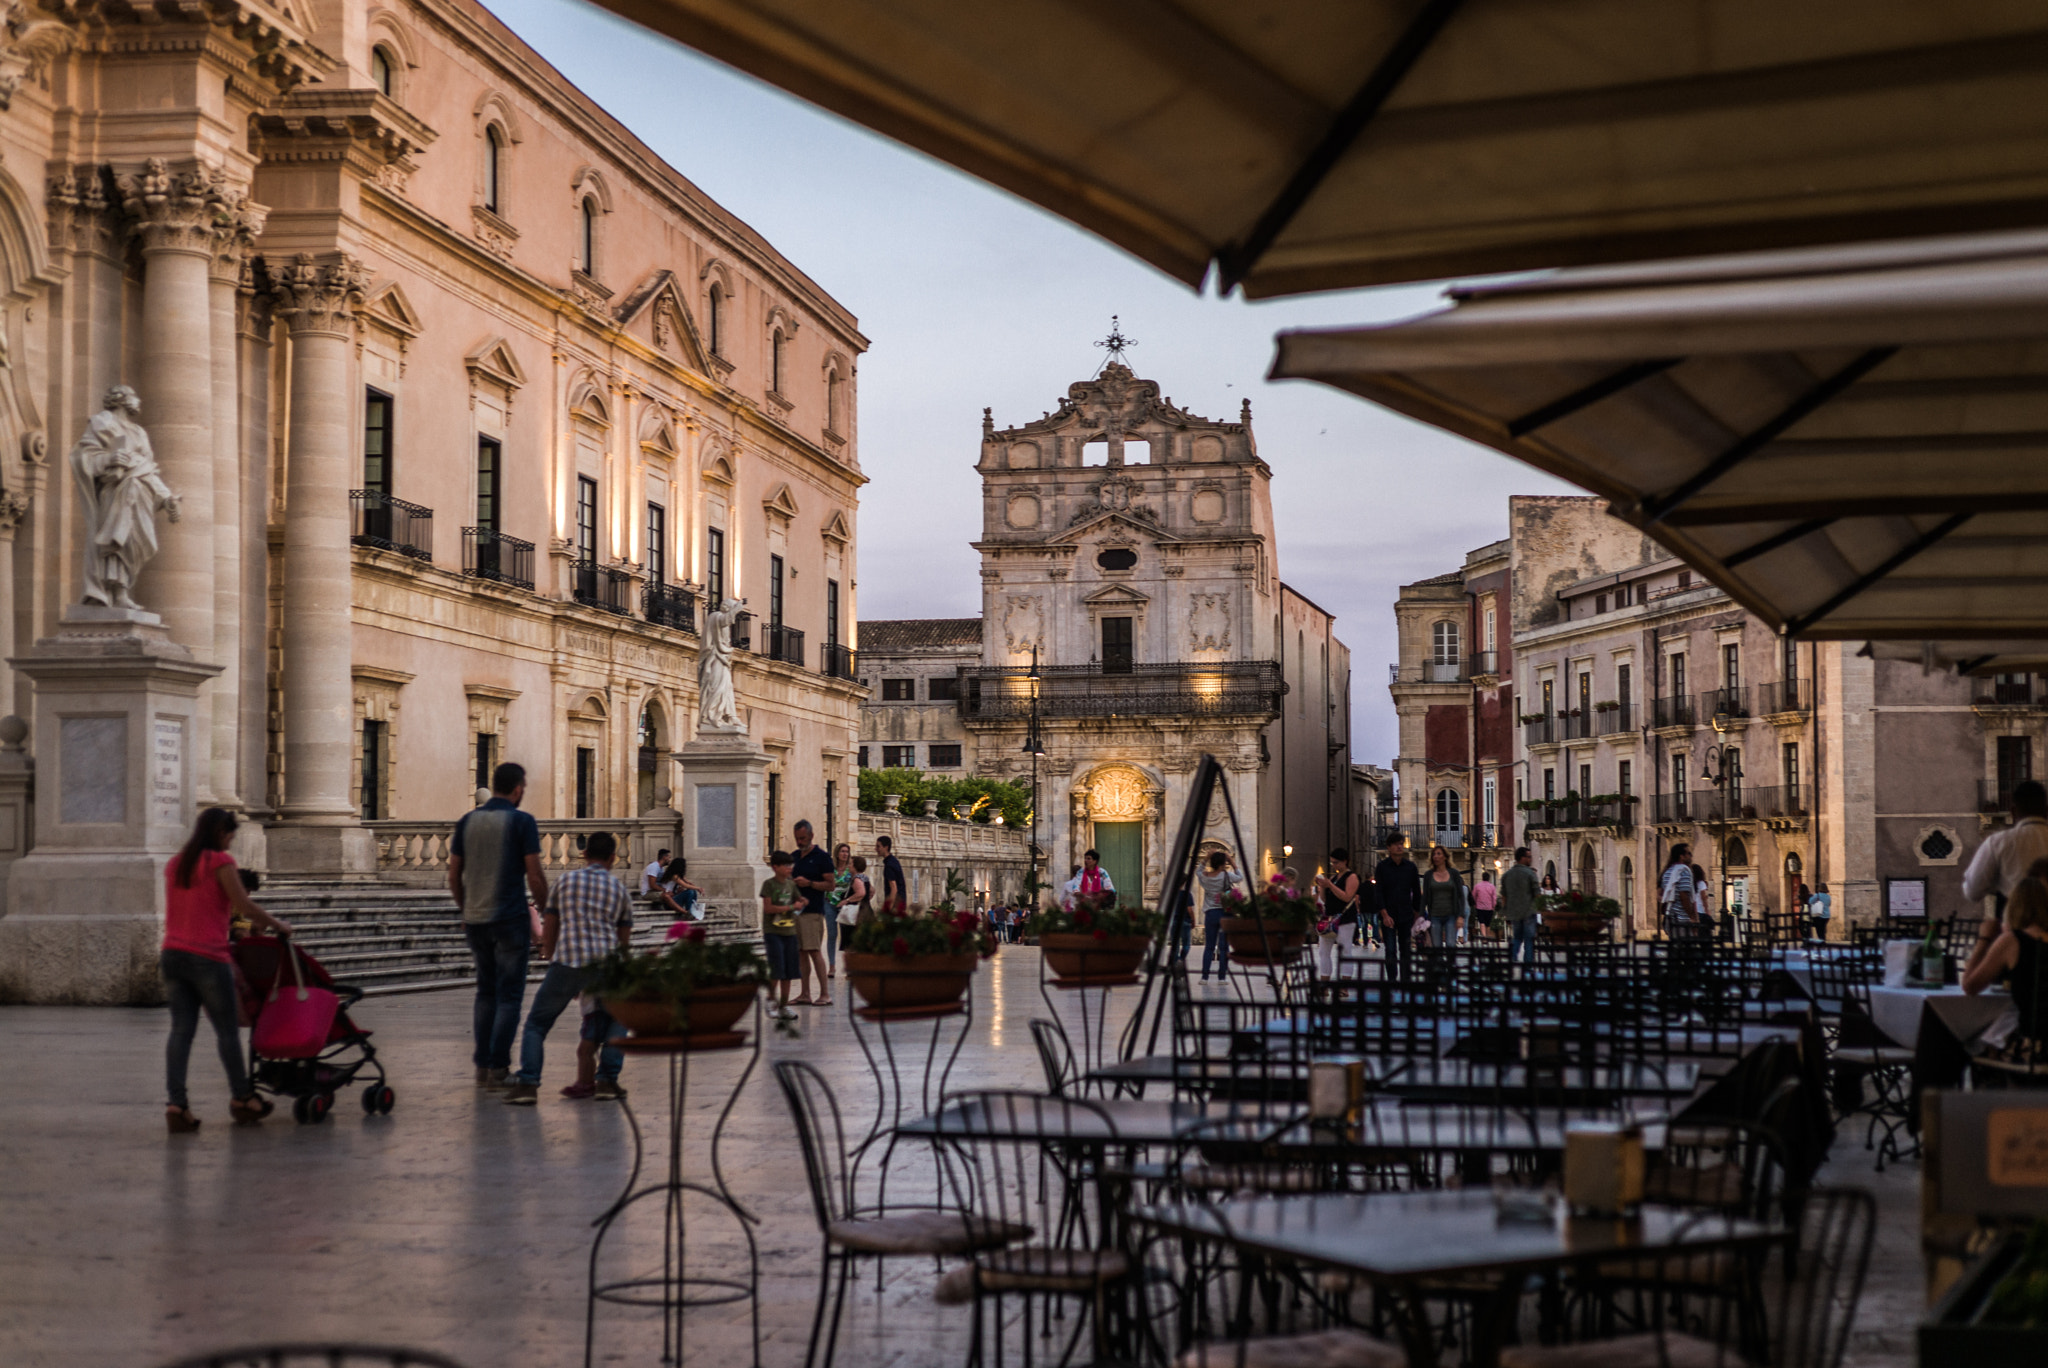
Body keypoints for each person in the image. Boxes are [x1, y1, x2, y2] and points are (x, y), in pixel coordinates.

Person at [161, 808, 293, 1133]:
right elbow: (243, 905)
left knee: (180, 1032)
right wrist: (278, 925)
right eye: (230, 837)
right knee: (227, 1032)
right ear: (221, 833)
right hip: (208, 956)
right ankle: (243, 1097)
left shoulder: (175, 864)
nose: (230, 845)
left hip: (172, 954)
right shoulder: (220, 863)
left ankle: (177, 1104)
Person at [504, 830, 634, 1105]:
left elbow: (551, 922)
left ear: (584, 854)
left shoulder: (565, 881)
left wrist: (551, 955)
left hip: (568, 961)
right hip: (606, 963)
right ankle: (607, 1081)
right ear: (613, 857)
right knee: (617, 1020)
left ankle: (528, 1083)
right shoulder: (619, 889)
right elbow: (623, 939)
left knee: (537, 1024)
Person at [450, 762, 547, 1090]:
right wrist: (546, 913)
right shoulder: (522, 821)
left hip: (476, 919)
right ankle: (498, 1067)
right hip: (509, 918)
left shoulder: (467, 821)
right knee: (509, 995)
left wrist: (467, 908)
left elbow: (454, 874)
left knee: (485, 992)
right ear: (518, 788)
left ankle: (482, 1066)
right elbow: (534, 874)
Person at [1964, 875, 2048, 1061]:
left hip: (2035, 1049)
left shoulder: (2013, 941)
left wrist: (1984, 939)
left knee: (1969, 1044)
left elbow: (1969, 986)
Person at [1963, 779, 2048, 926]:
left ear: (2013, 811)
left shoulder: (1999, 842)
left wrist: (1996, 883)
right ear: (2046, 810)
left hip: (2015, 929)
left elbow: (1973, 891)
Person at [789, 820, 835, 1006]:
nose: (800, 842)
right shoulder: (793, 857)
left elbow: (830, 885)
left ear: (811, 836)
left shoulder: (822, 857)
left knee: (814, 951)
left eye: (803, 838)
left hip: (813, 912)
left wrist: (809, 884)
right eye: (797, 839)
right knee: (801, 952)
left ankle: (825, 994)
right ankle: (805, 993)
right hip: (797, 911)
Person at [761, 851, 804, 1020]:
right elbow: (768, 908)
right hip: (773, 932)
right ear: (775, 867)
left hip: (789, 931)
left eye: (790, 865)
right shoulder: (769, 885)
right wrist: (790, 908)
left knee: (789, 971)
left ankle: (783, 1005)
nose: (789, 869)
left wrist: (802, 903)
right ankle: (771, 1001)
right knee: (776, 969)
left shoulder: (791, 885)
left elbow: (799, 900)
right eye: (785, 865)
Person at [1373, 835, 1422, 977]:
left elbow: (1416, 891)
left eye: (1401, 844)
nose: (1399, 847)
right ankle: (1392, 980)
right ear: (1388, 848)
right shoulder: (1382, 867)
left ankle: (1406, 979)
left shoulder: (1411, 867)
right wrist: (1384, 914)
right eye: (1395, 844)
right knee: (1390, 949)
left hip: (1406, 914)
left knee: (1406, 949)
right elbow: (1379, 892)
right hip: (1388, 914)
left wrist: (1416, 913)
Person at [1312, 849, 1361, 975]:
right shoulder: (1334, 877)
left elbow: (1347, 897)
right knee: (1323, 951)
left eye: (1336, 862)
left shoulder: (1352, 877)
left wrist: (1330, 885)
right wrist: (1322, 886)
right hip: (1329, 918)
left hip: (1345, 918)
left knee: (1345, 950)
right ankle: (1324, 982)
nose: (1333, 865)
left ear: (1345, 861)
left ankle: (1344, 985)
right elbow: (1324, 899)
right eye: (1332, 863)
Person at [1196, 850, 1242, 980]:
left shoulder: (1205, 876)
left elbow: (1197, 872)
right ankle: (1222, 977)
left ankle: (1204, 977)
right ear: (1223, 864)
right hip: (1225, 913)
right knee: (1224, 947)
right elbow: (1240, 877)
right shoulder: (1227, 876)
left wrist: (1206, 858)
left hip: (1211, 913)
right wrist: (1233, 863)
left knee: (1209, 946)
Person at [1498, 847, 1542, 965]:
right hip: (1528, 911)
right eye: (1528, 857)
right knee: (1528, 938)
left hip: (1514, 912)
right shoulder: (1530, 873)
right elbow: (1537, 893)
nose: (1530, 859)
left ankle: (1513, 958)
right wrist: (1541, 909)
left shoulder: (1507, 875)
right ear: (1522, 858)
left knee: (1517, 937)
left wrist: (1505, 912)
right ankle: (1528, 964)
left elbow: (1504, 896)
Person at [1422, 845, 1466, 951]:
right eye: (1434, 854)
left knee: (1451, 945)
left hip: (1451, 915)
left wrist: (1461, 915)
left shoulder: (1454, 874)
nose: (1436, 857)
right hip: (1434, 916)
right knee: (1436, 947)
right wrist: (1421, 916)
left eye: (1438, 854)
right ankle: (1438, 967)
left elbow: (1460, 896)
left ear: (1445, 857)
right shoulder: (1428, 875)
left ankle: (1450, 966)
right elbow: (1425, 897)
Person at [826, 842, 855, 976]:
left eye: (847, 852)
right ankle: (832, 966)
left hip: (845, 906)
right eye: (842, 851)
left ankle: (849, 966)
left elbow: (860, 883)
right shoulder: (830, 868)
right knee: (832, 935)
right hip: (829, 903)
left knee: (847, 936)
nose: (845, 854)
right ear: (837, 853)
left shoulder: (851, 870)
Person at [1659, 844, 1699, 936]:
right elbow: (1683, 894)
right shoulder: (1684, 871)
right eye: (1688, 853)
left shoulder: (1667, 872)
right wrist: (1691, 916)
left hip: (1671, 916)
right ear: (1682, 856)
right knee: (1686, 947)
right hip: (1682, 918)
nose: (1691, 856)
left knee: (1675, 946)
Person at [876, 834, 907, 913]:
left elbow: (893, 888)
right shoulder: (894, 861)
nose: (876, 849)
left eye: (878, 846)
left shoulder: (889, 865)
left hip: (895, 906)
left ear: (886, 847)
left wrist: (888, 907)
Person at [1168, 882, 1195, 964]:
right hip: (1185, 921)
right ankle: (1181, 959)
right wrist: (1193, 920)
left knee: (1175, 944)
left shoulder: (1170, 895)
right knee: (1186, 944)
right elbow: (1190, 909)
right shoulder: (1187, 894)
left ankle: (1175, 962)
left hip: (1173, 921)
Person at [1469, 870, 1499, 941]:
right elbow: (1494, 897)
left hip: (1480, 907)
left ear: (1482, 878)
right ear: (1489, 878)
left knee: (1482, 922)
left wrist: (1475, 904)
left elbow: (1473, 896)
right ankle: (1487, 936)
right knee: (1487, 924)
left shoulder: (1477, 886)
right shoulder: (1492, 887)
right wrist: (1493, 906)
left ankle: (1484, 937)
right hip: (1489, 908)